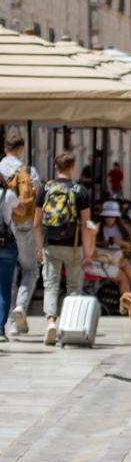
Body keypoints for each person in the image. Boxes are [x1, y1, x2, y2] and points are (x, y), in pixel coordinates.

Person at [34, 152, 93, 347]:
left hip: (50, 244)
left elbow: (36, 223)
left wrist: (39, 247)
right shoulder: (80, 191)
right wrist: (87, 251)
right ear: (72, 167)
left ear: (56, 167)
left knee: (51, 285)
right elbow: (86, 224)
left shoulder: (46, 188)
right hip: (73, 246)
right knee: (73, 286)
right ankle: (70, 324)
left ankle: (51, 321)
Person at [1, 133, 41, 337]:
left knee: (8, 275)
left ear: (5, 147)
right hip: (24, 226)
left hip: (3, 229)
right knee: (30, 270)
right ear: (22, 148)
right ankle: (20, 310)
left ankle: (6, 320)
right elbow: (38, 200)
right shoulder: (29, 171)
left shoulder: (0, 168)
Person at [96, 201, 131, 295]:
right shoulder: (99, 228)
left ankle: (128, 301)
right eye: (106, 216)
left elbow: (129, 245)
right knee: (125, 264)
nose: (109, 219)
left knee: (124, 275)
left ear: (116, 217)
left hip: (117, 256)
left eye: (112, 217)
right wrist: (106, 243)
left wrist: (119, 242)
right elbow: (96, 245)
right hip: (105, 257)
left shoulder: (121, 228)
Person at [0, 173, 20, 343]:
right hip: (6, 244)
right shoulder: (9, 194)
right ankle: (0, 329)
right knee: (5, 288)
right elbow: (21, 210)